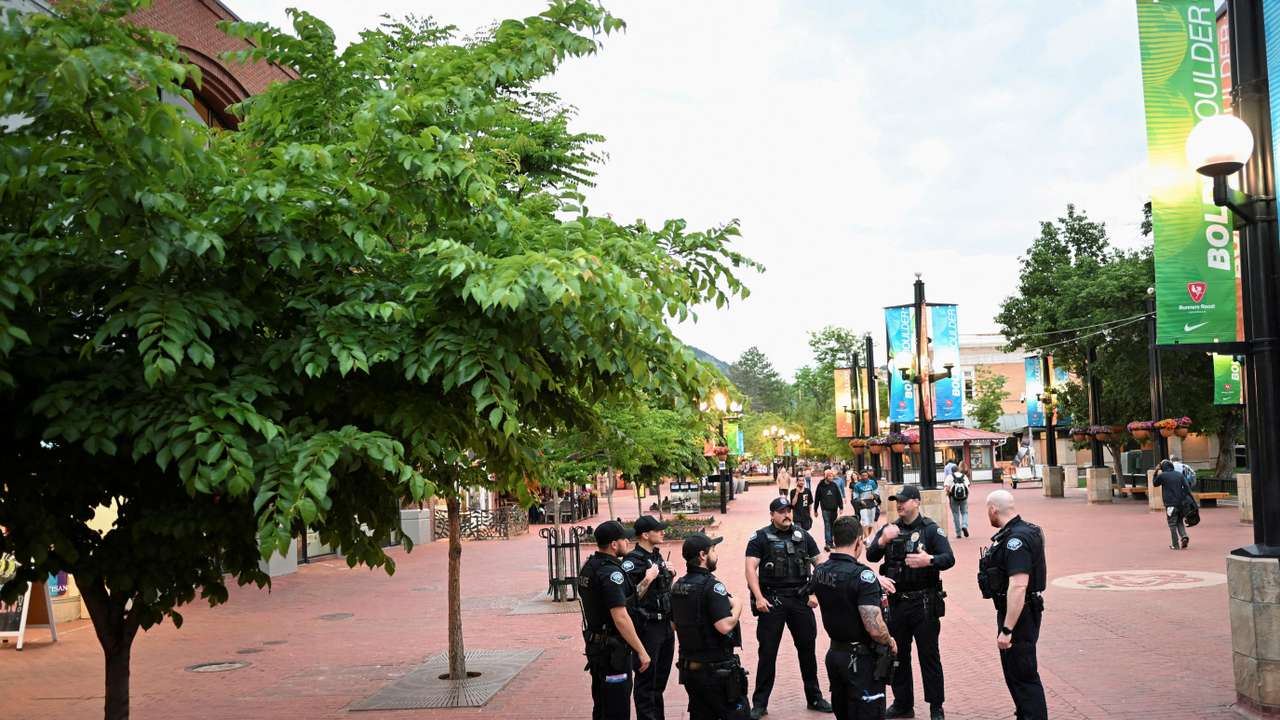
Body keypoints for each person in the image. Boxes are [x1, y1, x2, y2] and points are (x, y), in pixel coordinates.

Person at [866, 485, 955, 720]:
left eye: (904, 500)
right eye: (897, 501)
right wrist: (883, 540)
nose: (900, 505)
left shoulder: (931, 530)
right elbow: (871, 556)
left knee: (929, 656)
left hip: (923, 602)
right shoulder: (890, 528)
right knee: (898, 655)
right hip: (897, 603)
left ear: (917, 502)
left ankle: (936, 706)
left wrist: (930, 560)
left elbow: (949, 558)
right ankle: (903, 703)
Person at [744, 496, 831, 718]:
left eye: (789, 510)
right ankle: (760, 703)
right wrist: (759, 597)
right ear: (772, 515)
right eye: (781, 511)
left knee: (807, 650)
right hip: (772, 601)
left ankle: (814, 697)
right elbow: (750, 568)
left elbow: (820, 564)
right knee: (768, 652)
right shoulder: (760, 537)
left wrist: (813, 591)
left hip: (800, 599)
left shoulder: (803, 536)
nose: (787, 515)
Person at [812, 515, 898, 720]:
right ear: (859, 541)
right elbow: (874, 626)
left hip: (836, 655)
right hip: (860, 660)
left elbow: (809, 597)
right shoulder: (863, 576)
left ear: (834, 540)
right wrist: (890, 641)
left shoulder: (821, 571)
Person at [978, 490, 1047, 720]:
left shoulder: (1015, 540)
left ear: (993, 509)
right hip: (1023, 610)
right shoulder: (1026, 530)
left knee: (1024, 675)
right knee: (1015, 674)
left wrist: (1007, 629)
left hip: (1019, 614)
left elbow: (1018, 585)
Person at [671, 532, 750, 720]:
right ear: (702, 555)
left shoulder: (678, 586)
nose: (716, 555)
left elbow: (674, 625)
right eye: (713, 550)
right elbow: (724, 626)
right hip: (716, 672)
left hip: (691, 670)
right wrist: (738, 606)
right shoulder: (712, 586)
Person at [579, 520, 653, 720]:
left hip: (598, 647)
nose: (628, 541)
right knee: (616, 709)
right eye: (624, 539)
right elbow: (620, 617)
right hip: (613, 653)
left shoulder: (590, 566)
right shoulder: (611, 573)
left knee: (602, 705)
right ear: (614, 544)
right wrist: (641, 650)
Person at [623, 516, 676, 720]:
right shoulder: (632, 562)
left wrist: (670, 575)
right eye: (658, 530)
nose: (663, 532)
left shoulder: (656, 556)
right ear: (645, 534)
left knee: (659, 682)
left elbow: (662, 592)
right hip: (648, 627)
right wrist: (647, 578)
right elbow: (629, 599)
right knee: (646, 682)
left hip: (665, 626)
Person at [1153, 459, 1194, 550]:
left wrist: (1156, 471)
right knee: (1179, 521)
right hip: (1181, 503)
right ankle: (1184, 536)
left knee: (1172, 524)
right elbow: (1187, 487)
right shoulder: (1179, 475)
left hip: (1170, 504)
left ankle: (1175, 544)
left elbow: (1155, 483)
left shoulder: (1163, 475)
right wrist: (1187, 498)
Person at [815, 469, 844, 551]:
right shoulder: (820, 485)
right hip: (825, 509)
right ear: (826, 476)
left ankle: (831, 543)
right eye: (830, 476)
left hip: (834, 509)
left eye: (832, 475)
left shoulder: (834, 485)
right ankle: (828, 543)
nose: (832, 477)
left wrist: (841, 507)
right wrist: (815, 510)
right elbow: (817, 498)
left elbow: (838, 496)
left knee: (833, 526)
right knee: (827, 526)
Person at [851, 472, 880, 539]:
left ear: (867, 476)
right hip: (863, 505)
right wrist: (860, 501)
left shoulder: (872, 482)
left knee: (871, 523)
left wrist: (874, 496)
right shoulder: (857, 485)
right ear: (860, 476)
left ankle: (865, 537)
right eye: (863, 475)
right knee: (865, 522)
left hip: (872, 504)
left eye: (866, 475)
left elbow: (877, 492)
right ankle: (867, 539)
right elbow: (855, 497)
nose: (864, 477)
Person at [944, 470, 970, 540]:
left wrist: (946, 496)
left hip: (953, 498)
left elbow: (946, 488)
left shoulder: (949, 476)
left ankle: (958, 533)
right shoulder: (964, 476)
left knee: (955, 514)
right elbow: (968, 485)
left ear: (951, 471)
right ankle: (964, 525)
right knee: (965, 512)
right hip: (964, 498)